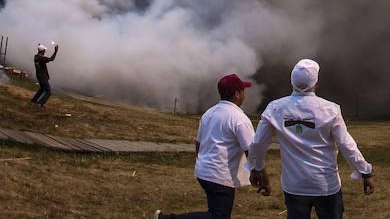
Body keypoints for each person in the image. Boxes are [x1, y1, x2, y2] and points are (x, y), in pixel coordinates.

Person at [248, 59, 374, 218]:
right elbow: (346, 145)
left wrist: (256, 168)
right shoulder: (330, 110)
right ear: (316, 83)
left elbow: (258, 144)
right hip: (325, 186)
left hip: (294, 186)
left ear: (292, 81)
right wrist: (365, 171)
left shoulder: (275, 108)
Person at [153, 73, 256, 219]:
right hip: (220, 175)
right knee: (218, 215)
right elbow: (252, 151)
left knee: (218, 212)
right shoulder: (239, 118)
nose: (244, 94)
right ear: (237, 94)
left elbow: (198, 144)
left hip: (204, 172)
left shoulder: (209, 113)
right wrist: (260, 175)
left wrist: (203, 162)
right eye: (243, 90)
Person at [30, 41, 58, 106]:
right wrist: (55, 51)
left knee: (42, 89)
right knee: (48, 92)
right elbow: (51, 59)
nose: (45, 51)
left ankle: (34, 100)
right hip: (43, 77)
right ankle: (40, 103)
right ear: (42, 51)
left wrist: (39, 47)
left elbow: (41, 54)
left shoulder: (36, 57)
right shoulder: (41, 58)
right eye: (44, 50)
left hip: (39, 76)